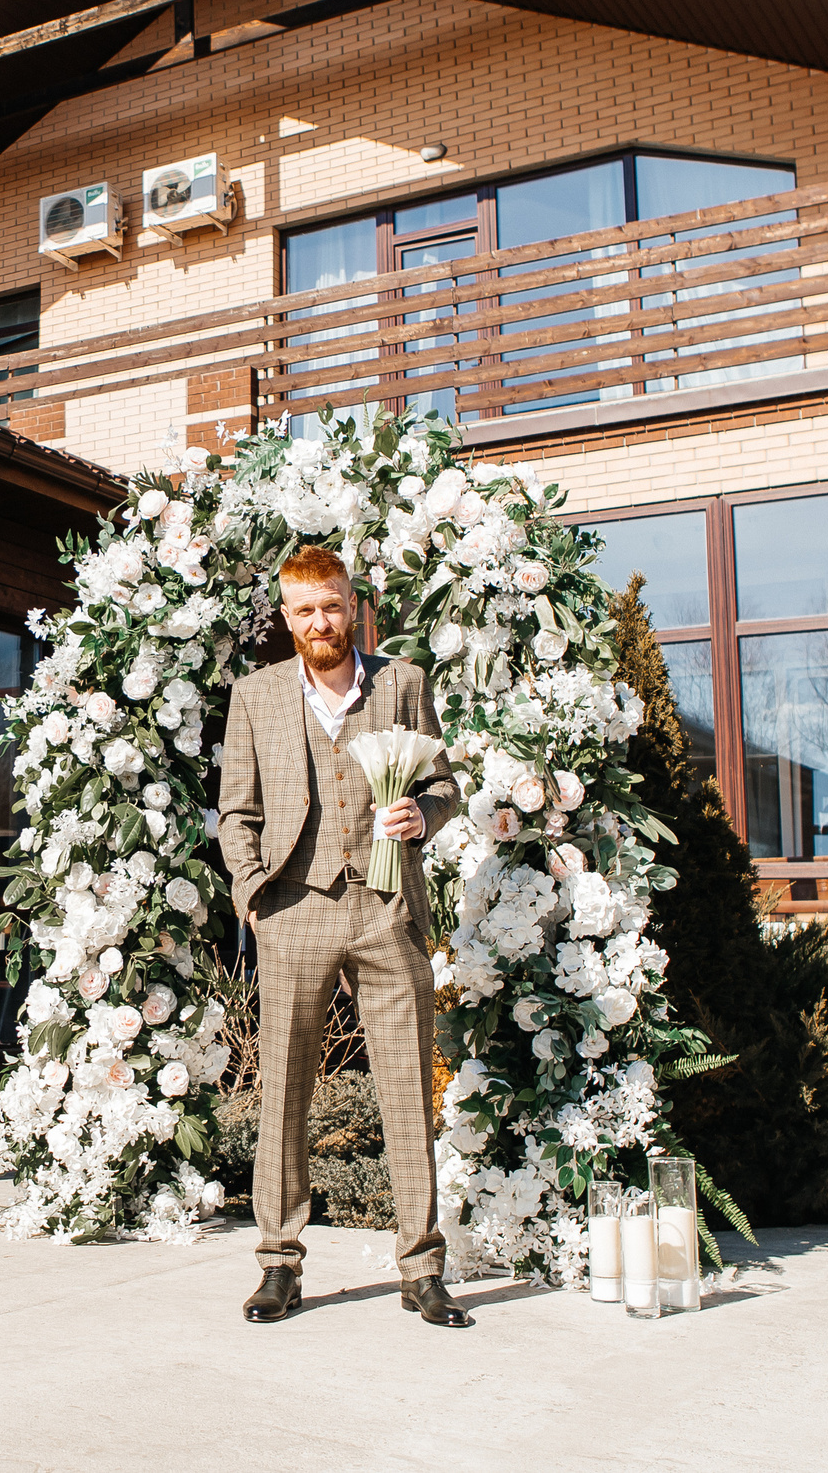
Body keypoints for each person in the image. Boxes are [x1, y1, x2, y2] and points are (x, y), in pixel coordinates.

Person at [217, 544, 468, 1327]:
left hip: (387, 904)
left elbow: (445, 786)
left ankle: (422, 1268)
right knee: (284, 1093)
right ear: (286, 617)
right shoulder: (256, 695)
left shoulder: (402, 684)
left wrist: (422, 815)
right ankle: (279, 1265)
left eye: (331, 604)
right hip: (294, 906)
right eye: (304, 609)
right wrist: (254, 891)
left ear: (353, 604)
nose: (319, 620)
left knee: (404, 1090)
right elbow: (236, 811)